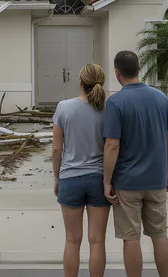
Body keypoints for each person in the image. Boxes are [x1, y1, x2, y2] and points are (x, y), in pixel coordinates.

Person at [103, 50, 168, 277]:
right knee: (159, 234)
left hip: (127, 182)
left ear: (117, 73)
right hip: (155, 179)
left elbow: (112, 145)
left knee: (130, 238)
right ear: (139, 68)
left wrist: (106, 181)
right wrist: (167, 172)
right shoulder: (161, 98)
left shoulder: (115, 102)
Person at [52, 63, 111, 277]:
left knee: (72, 240)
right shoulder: (108, 109)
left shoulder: (63, 107)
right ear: (101, 83)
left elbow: (57, 148)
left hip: (70, 178)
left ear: (80, 82)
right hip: (99, 179)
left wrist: (57, 177)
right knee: (97, 241)